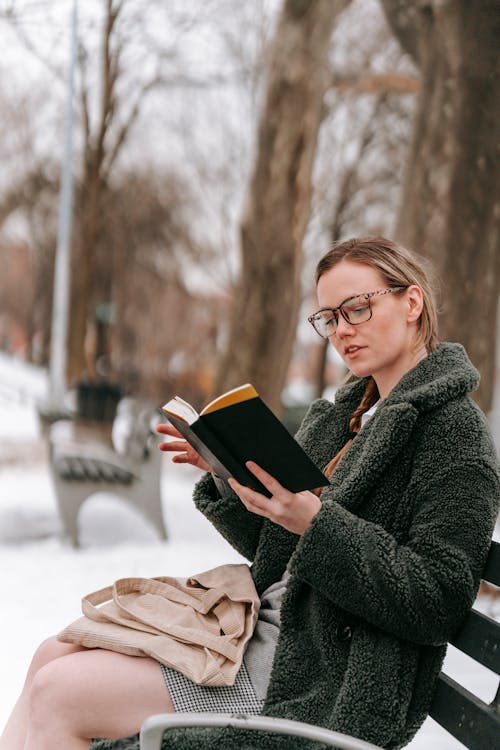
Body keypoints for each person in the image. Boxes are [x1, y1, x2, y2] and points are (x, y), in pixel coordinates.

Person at [1, 236, 498, 750]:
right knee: (49, 656)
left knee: (58, 694)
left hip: (319, 677)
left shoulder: (453, 433)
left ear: (411, 302)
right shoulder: (349, 417)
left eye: (356, 308)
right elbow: (274, 548)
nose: (342, 330)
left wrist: (314, 522)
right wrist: (223, 470)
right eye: (329, 318)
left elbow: (439, 599)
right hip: (258, 634)